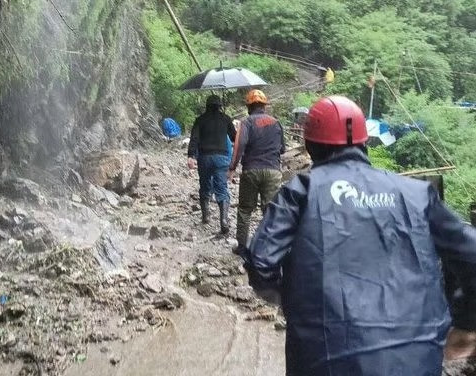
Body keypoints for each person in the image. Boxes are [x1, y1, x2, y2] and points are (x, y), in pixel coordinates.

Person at [245, 95, 476, 375]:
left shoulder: (301, 191)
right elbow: (470, 255)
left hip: (325, 357)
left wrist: (290, 300)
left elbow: (261, 263)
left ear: (310, 146)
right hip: (417, 357)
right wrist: (465, 321)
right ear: (364, 142)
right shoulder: (416, 194)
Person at [229, 89, 285, 255]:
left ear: (249, 107)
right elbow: (282, 149)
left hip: (251, 170)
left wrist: (232, 168)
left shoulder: (246, 123)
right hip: (273, 171)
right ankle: (270, 248)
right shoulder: (276, 123)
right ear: (264, 106)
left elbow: (239, 146)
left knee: (245, 210)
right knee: (270, 210)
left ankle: (242, 247)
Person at [187, 94, 236, 234]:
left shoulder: (200, 120)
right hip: (221, 158)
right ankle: (224, 221)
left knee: (205, 185)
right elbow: (234, 137)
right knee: (221, 188)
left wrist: (191, 156)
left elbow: (194, 139)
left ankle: (206, 216)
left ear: (207, 106)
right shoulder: (225, 119)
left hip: (204, 157)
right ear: (220, 106)